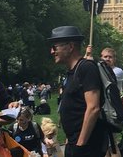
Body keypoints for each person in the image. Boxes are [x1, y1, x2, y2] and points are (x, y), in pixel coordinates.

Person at [49, 25, 108, 157]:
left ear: (70, 47)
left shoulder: (86, 68)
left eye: (55, 47)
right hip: (73, 143)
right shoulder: (72, 72)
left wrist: (80, 145)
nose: (52, 51)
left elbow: (93, 108)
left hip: (86, 147)